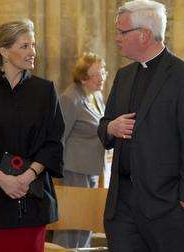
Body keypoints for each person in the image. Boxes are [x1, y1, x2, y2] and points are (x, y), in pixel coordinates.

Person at [97, 0, 184, 252]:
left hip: (164, 203)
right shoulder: (123, 76)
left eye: (122, 32)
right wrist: (110, 128)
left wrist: (183, 200)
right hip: (122, 204)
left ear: (144, 35)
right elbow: (105, 125)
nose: (117, 38)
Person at [0, 19, 64, 252]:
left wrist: (25, 178)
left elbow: (53, 141)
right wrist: (2, 179)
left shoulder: (45, 91)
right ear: (4, 51)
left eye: (33, 45)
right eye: (25, 46)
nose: (32, 52)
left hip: (30, 198)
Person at [52, 52, 107, 248]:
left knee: (86, 221)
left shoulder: (97, 97)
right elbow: (60, 136)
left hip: (92, 168)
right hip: (74, 170)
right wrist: (57, 173)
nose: (102, 78)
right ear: (83, 78)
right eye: (97, 75)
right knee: (71, 223)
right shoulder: (70, 98)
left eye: (103, 73)